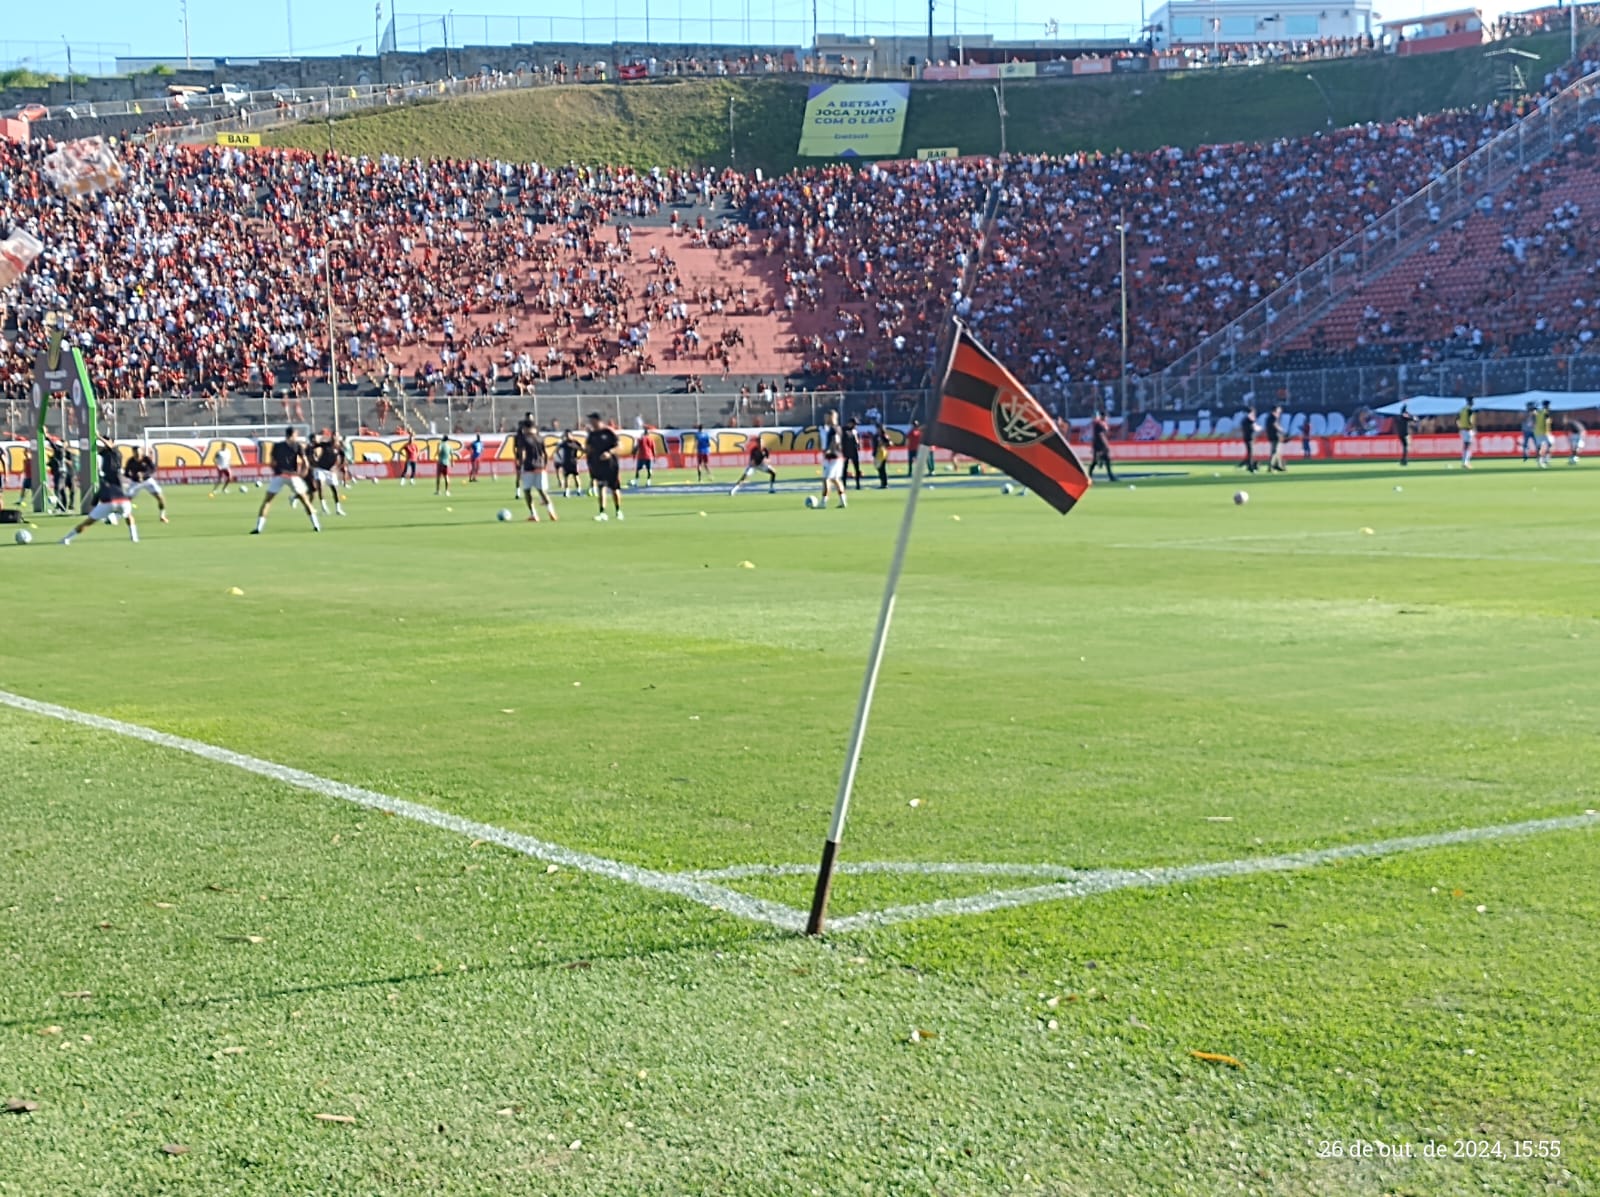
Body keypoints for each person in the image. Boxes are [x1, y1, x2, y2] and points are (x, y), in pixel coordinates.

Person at [61, 436, 138, 546]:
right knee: (126, 512)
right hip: (111, 486)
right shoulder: (103, 455)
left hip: (116, 481)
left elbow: (108, 445)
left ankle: (115, 519)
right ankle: (119, 521)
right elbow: (93, 449)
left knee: (120, 511)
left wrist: (97, 435)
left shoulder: (115, 451)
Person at [252, 427, 321, 534]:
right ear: (292, 434)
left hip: (279, 476)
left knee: (267, 501)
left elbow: (272, 462)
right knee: (306, 501)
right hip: (293, 476)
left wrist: (277, 471)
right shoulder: (298, 446)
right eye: (296, 434)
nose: (297, 436)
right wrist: (302, 474)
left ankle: (258, 528)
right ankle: (316, 526)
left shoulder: (277, 446)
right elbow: (305, 463)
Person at [514, 417, 557, 522]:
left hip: (529, 467)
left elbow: (522, 453)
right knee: (542, 491)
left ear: (526, 428)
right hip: (541, 467)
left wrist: (520, 465)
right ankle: (551, 511)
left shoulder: (523, 439)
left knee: (527, 491)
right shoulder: (540, 438)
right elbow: (545, 453)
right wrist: (545, 464)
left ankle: (534, 514)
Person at [585, 411, 623, 521]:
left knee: (614, 488)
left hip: (611, 464)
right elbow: (589, 449)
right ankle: (602, 512)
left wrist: (609, 453)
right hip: (598, 465)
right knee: (601, 487)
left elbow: (619, 445)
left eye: (592, 420)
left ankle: (618, 511)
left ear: (597, 420)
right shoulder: (592, 435)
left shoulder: (608, 432)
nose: (590, 422)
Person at [123, 444, 170, 524]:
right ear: (133, 453)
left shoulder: (146, 459)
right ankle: (125, 516)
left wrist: (143, 475)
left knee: (160, 497)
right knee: (126, 500)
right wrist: (135, 476)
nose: (138, 454)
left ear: (141, 451)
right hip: (135, 482)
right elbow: (126, 473)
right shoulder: (130, 461)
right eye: (136, 452)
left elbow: (153, 469)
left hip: (148, 480)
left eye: (139, 452)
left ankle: (162, 515)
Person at [308, 433, 347, 515]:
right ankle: (324, 508)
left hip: (330, 471)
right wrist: (313, 459)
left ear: (338, 437)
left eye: (336, 436)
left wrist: (337, 468)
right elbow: (313, 447)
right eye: (333, 436)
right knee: (321, 487)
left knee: (335, 490)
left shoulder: (339, 447)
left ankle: (338, 509)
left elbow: (343, 459)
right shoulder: (325, 444)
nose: (334, 437)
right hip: (320, 469)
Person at [818, 410, 848, 509]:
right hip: (837, 456)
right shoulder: (837, 428)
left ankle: (823, 502)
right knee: (836, 479)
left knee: (826, 479)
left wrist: (829, 450)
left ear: (832, 417)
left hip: (832, 457)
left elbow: (834, 441)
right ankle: (843, 501)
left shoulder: (833, 429)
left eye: (827, 417)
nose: (825, 419)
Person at [1089, 411, 1115, 481]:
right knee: (1095, 461)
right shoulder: (1099, 424)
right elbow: (1101, 435)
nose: (1107, 418)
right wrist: (1105, 445)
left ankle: (1111, 476)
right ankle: (1089, 476)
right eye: (1106, 417)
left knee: (1106, 459)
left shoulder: (1102, 424)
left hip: (1099, 444)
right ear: (1103, 417)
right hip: (1099, 445)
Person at [555, 431, 582, 497]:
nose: (567, 437)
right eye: (566, 435)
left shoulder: (575, 442)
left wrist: (579, 457)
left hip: (574, 462)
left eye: (568, 435)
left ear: (571, 435)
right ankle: (567, 491)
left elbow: (582, 449)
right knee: (566, 477)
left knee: (576, 476)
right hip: (566, 462)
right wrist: (561, 458)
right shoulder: (564, 443)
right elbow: (557, 450)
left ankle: (578, 490)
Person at [841, 418, 863, 490]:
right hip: (845, 452)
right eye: (854, 424)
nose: (855, 426)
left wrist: (858, 444)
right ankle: (844, 485)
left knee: (857, 469)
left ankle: (858, 485)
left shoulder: (855, 431)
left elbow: (857, 441)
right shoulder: (843, 430)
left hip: (854, 452)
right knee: (844, 470)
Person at [1265, 404, 1287, 472]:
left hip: (1272, 436)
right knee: (1275, 452)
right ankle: (1270, 467)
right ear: (1275, 410)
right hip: (1275, 436)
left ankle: (1278, 466)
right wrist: (1281, 430)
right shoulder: (1273, 417)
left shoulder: (1270, 417)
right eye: (1279, 409)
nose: (1280, 410)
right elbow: (1275, 425)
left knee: (1277, 452)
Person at [1533, 399, 1553, 469]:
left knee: (1540, 447)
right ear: (1547, 405)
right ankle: (1545, 460)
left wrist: (1535, 407)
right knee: (1549, 445)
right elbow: (1547, 421)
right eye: (1549, 405)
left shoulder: (1539, 411)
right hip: (1544, 432)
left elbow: (1534, 414)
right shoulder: (1545, 412)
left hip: (1537, 432)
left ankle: (1541, 461)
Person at [1238, 406, 1258, 473]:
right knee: (1250, 453)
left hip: (1246, 437)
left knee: (1250, 453)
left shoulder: (1244, 419)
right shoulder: (1250, 419)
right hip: (1250, 437)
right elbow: (1254, 427)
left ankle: (1245, 464)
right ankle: (1250, 467)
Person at [1458, 396, 1476, 470]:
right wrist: (1472, 428)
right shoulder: (1469, 410)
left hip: (1462, 429)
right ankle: (1466, 463)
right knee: (1468, 446)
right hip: (1468, 430)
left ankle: (1465, 462)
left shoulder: (1462, 410)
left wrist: (1460, 427)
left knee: (1465, 446)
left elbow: (1457, 420)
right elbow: (1470, 421)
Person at [872, 423, 890, 489]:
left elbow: (889, 443)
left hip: (882, 454)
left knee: (883, 469)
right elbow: (874, 445)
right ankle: (882, 483)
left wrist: (884, 443)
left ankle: (885, 483)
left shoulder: (884, 436)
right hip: (877, 454)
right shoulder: (876, 436)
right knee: (879, 469)